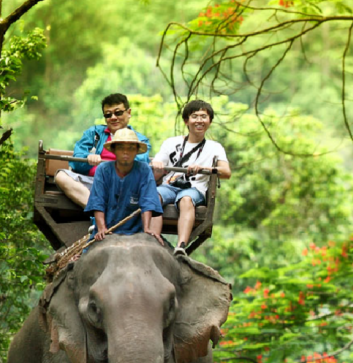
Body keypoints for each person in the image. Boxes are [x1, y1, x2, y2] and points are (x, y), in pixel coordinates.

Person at [151, 99, 232, 256]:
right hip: (170, 185)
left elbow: (226, 172)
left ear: (210, 121)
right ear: (186, 121)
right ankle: (153, 238)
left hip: (194, 189)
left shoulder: (215, 148)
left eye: (204, 116)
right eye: (195, 116)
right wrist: (158, 164)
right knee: (154, 196)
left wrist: (204, 169)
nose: (199, 120)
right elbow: (158, 160)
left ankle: (180, 245)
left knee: (186, 200)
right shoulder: (171, 142)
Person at [54, 93, 152, 208]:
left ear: (128, 113)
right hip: (92, 182)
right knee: (61, 176)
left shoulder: (139, 140)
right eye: (108, 115)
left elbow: (141, 164)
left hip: (122, 185)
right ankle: (98, 210)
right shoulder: (94, 133)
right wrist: (88, 158)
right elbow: (76, 159)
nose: (113, 117)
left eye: (118, 112)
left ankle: (99, 214)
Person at [84, 128, 164, 243]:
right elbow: (97, 201)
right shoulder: (103, 169)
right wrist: (102, 229)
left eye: (131, 148)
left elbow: (148, 201)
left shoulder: (144, 169)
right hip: (107, 229)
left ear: (136, 151)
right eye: (121, 148)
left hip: (135, 231)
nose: (126, 152)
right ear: (114, 150)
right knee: (83, 258)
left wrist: (146, 228)